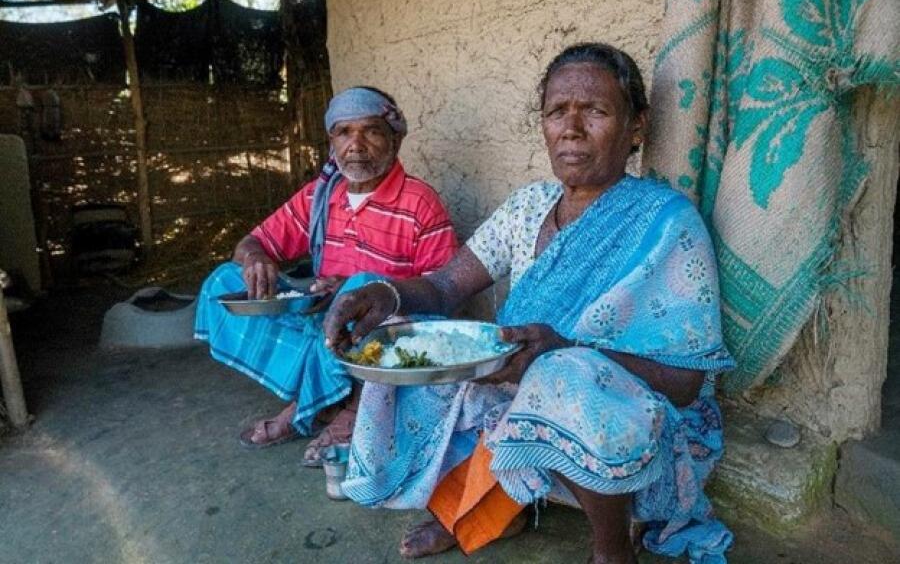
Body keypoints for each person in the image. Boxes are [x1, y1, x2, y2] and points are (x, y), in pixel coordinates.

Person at [323, 44, 734, 563]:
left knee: (563, 374)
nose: (572, 128)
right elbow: (448, 286)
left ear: (636, 127)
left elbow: (685, 383)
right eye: (557, 111)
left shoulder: (668, 223)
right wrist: (381, 292)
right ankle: (483, 502)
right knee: (408, 340)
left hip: (633, 421)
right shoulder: (529, 207)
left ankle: (612, 547)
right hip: (525, 393)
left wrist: (564, 349)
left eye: (597, 112)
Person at [194, 86, 457, 465]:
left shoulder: (419, 202)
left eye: (371, 130)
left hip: (381, 336)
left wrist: (366, 292)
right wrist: (256, 260)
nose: (356, 144)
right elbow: (252, 242)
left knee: (358, 286)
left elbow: (441, 292)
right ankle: (322, 400)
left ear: (394, 139)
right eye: (343, 132)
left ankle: (327, 408)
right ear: (332, 141)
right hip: (322, 326)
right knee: (225, 282)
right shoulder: (320, 196)